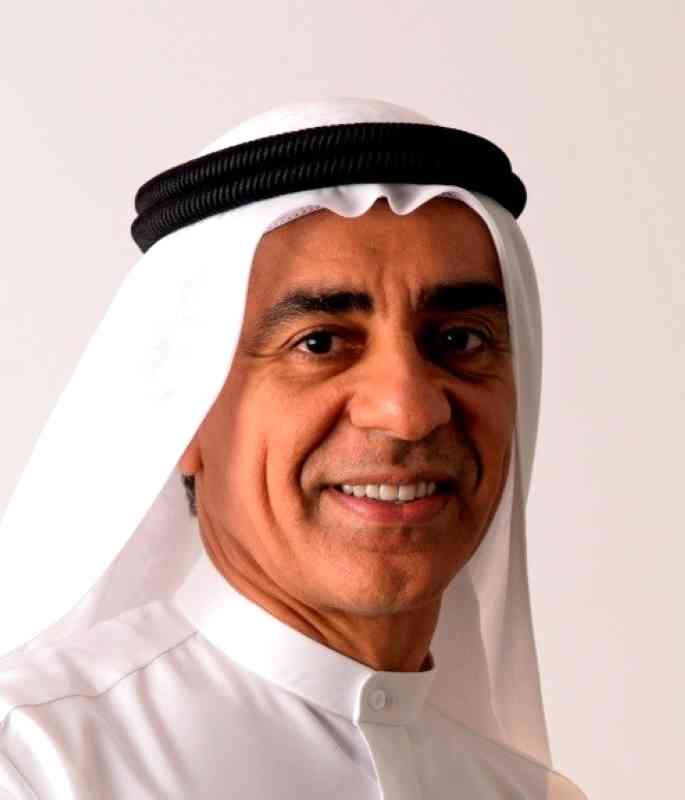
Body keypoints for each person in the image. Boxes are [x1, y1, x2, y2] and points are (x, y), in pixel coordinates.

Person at [0, 97, 589, 798]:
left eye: (459, 340)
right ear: (185, 416)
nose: (408, 413)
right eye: (319, 343)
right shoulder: (34, 764)